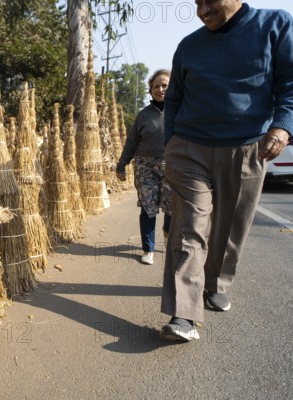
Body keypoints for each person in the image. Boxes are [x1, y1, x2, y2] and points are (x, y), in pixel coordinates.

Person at [160, 0, 293, 341]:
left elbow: (290, 84)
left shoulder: (275, 25)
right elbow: (173, 98)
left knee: (230, 226)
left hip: (248, 147)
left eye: (209, 1)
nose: (202, 10)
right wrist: (171, 142)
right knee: (189, 228)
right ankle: (184, 315)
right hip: (189, 149)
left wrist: (282, 126)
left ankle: (215, 282)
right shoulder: (189, 46)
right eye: (196, 3)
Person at [117, 70, 172, 266]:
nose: (160, 89)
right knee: (148, 208)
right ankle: (148, 249)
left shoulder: (181, 112)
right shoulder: (143, 115)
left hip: (172, 165)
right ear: (150, 90)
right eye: (156, 86)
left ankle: (168, 233)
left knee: (172, 207)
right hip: (145, 166)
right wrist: (121, 165)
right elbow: (131, 142)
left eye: (165, 85)